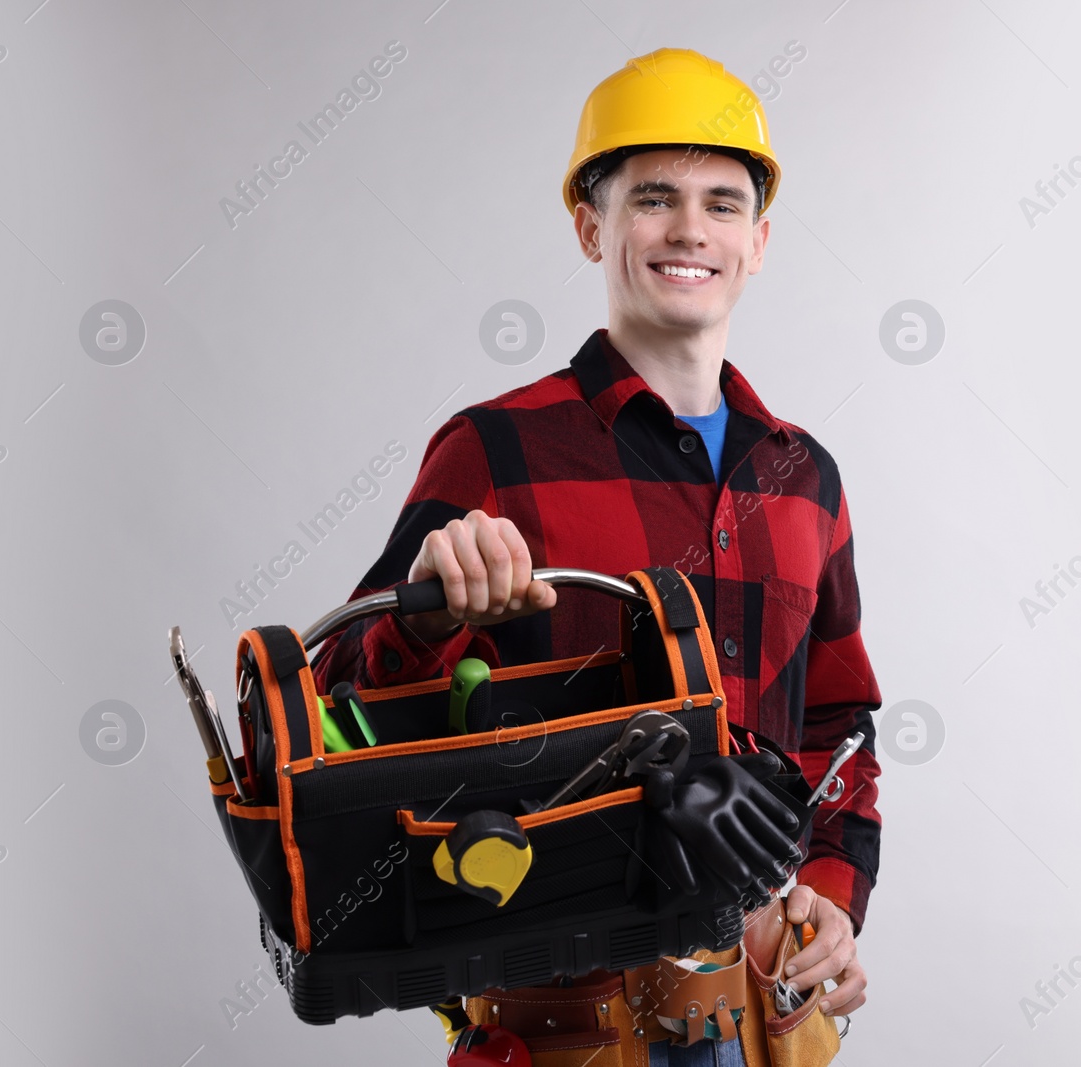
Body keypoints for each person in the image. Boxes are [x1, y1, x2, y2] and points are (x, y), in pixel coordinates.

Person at [310, 47, 882, 1065]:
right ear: (591, 227)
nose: (688, 230)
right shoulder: (497, 450)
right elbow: (334, 698)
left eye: (720, 202)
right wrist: (427, 613)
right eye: (652, 198)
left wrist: (832, 900)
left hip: (761, 1018)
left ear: (757, 240)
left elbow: (838, 728)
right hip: (562, 1027)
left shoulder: (804, 478)